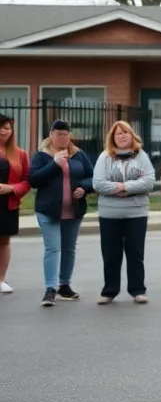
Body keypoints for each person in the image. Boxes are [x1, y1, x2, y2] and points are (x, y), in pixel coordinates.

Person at [28, 120, 93, 307]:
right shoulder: (42, 155)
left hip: (73, 210)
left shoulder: (78, 154)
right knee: (53, 248)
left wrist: (84, 187)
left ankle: (65, 285)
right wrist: (54, 164)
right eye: (58, 134)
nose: (62, 138)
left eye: (65, 135)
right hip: (49, 211)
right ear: (51, 135)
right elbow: (34, 179)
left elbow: (91, 175)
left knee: (69, 248)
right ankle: (50, 289)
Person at [92, 120, 156, 304]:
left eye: (125, 132)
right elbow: (98, 183)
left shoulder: (141, 156)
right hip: (109, 213)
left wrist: (124, 187)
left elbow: (149, 182)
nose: (121, 136)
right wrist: (126, 188)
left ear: (131, 136)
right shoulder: (105, 157)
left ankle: (137, 290)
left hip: (136, 212)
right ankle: (109, 291)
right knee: (111, 253)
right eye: (118, 134)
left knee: (135, 253)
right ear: (113, 138)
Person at [0, 113, 31, 294]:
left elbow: (27, 181)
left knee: (4, 241)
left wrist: (12, 189)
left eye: (8, 127)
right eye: (1, 126)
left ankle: (1, 280)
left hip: (8, 205)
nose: (4, 130)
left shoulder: (20, 154)